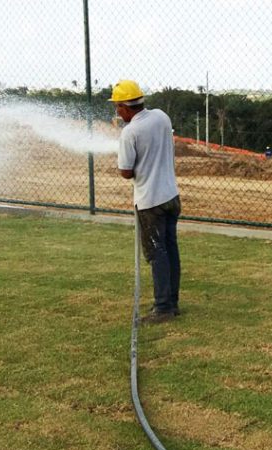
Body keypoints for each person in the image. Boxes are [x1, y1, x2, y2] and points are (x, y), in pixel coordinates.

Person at [111, 79, 181, 324]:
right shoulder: (162, 117)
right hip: (171, 195)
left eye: (117, 107)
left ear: (125, 107)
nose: (117, 112)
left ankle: (163, 309)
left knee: (156, 253)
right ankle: (172, 302)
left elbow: (126, 171)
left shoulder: (130, 132)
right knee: (170, 249)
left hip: (150, 201)